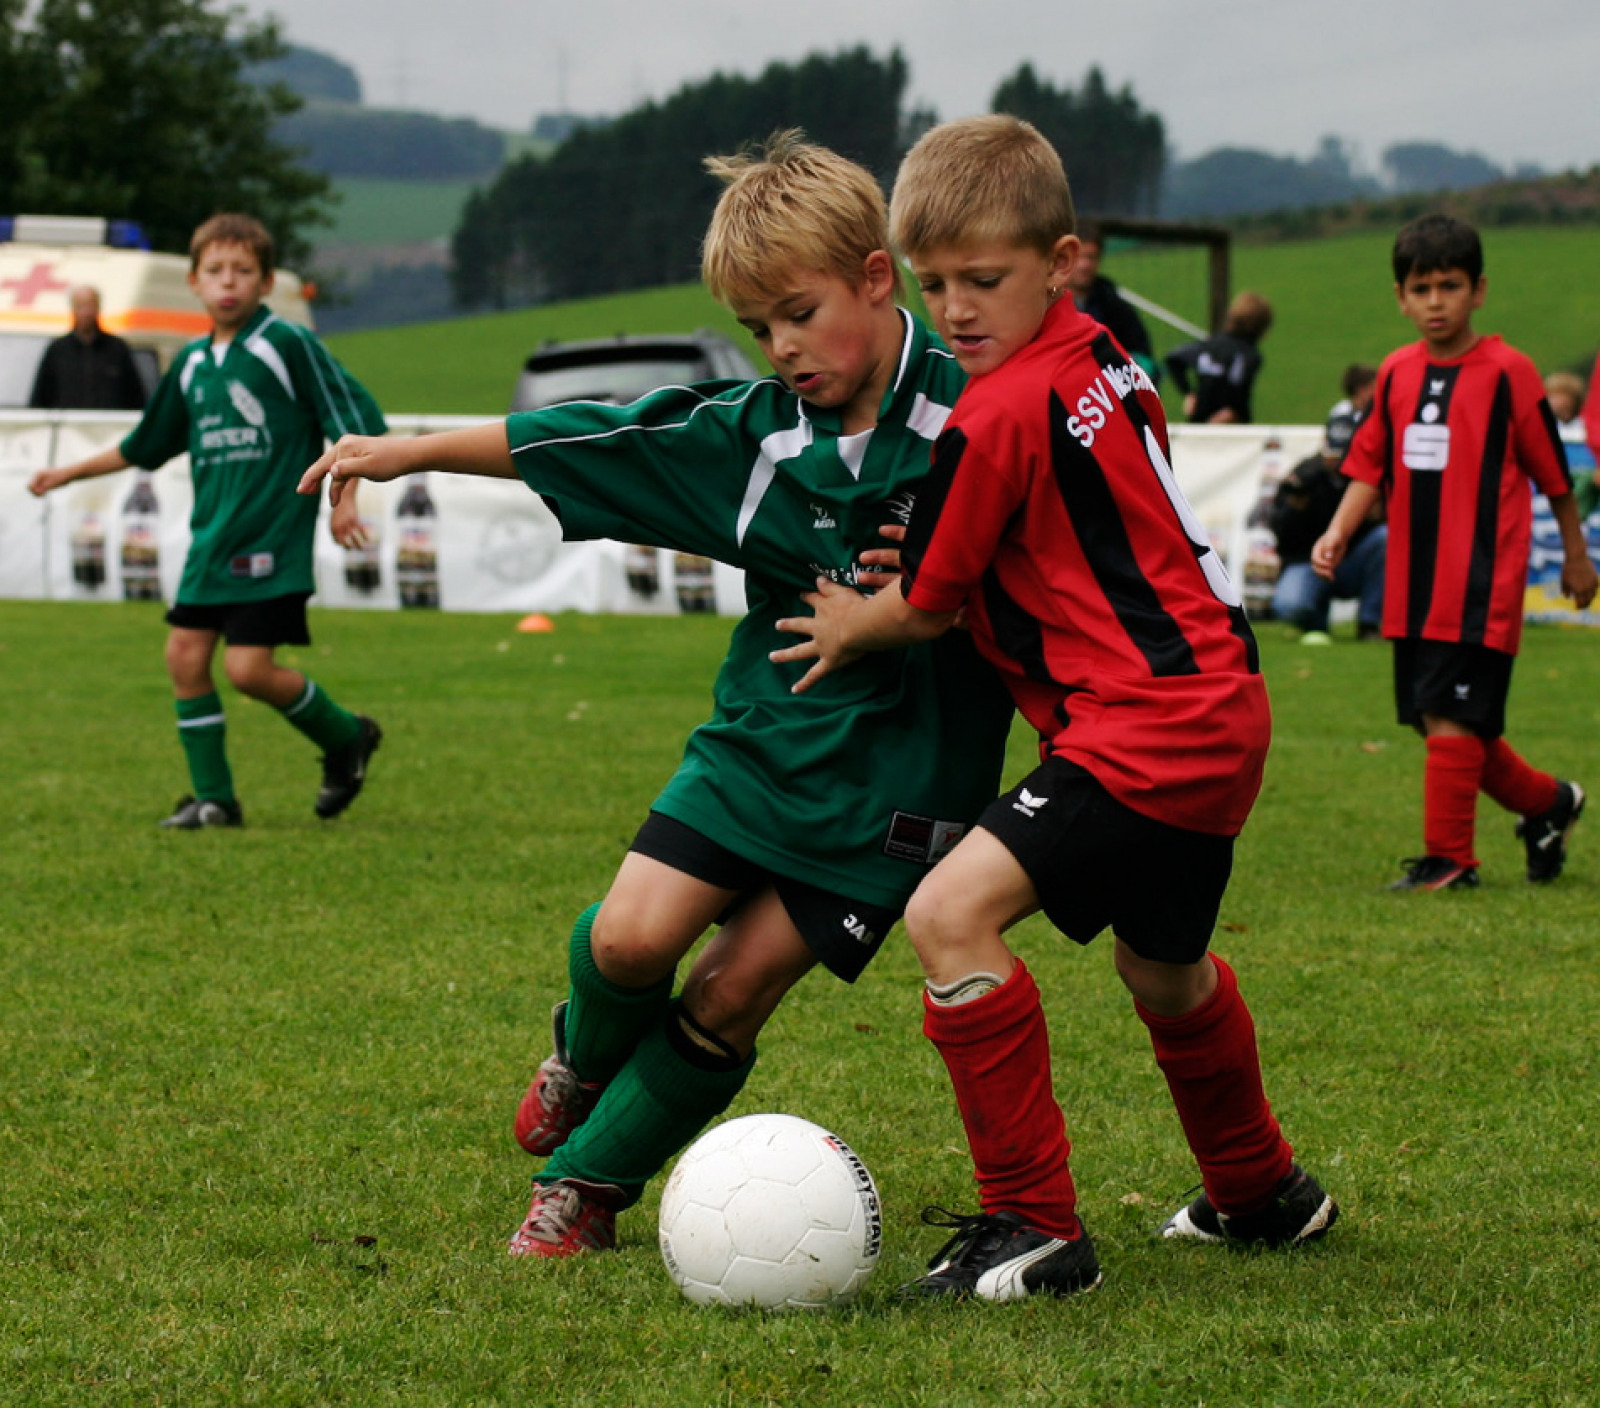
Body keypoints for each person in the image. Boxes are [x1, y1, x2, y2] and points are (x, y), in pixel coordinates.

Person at [297, 133, 1015, 1259]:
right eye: (757, 329)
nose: (780, 348)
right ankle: (585, 1056)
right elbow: (590, 436)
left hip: (903, 785)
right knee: (631, 942)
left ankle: (585, 1186)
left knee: (731, 987)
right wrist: (407, 450)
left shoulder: (987, 413)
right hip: (760, 747)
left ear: (876, 278)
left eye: (798, 312)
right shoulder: (756, 438)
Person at [772, 115, 1335, 1302]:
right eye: (935, 286)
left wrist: (845, 619)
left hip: (1140, 725)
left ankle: (1030, 1223)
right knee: (1162, 971)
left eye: (985, 279)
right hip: (1221, 705)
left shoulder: (993, 413)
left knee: (947, 915)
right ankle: (1260, 1189)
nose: (959, 310)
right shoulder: (1109, 356)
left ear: (1061, 259)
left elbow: (923, 606)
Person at [29, 213, 386, 830]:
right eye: (216, 271)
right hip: (210, 542)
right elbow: (145, 444)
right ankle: (215, 800)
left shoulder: (287, 345)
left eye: (243, 271)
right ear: (194, 281)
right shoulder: (191, 364)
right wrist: (67, 473)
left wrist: (346, 496)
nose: (229, 283)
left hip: (270, 537)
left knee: (247, 670)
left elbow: (353, 419)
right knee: (184, 659)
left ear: (267, 281)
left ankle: (346, 737)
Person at [1312, 213, 1598, 891]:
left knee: (1451, 717)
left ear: (1479, 290)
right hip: (1413, 583)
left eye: (1449, 285)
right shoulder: (1396, 373)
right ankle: (1549, 805)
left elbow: (1555, 473)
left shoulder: (1509, 372)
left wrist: (1578, 554)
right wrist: (1338, 529)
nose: (1435, 301)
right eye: (1421, 288)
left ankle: (1450, 859)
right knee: (1440, 720)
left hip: (1479, 582)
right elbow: (1369, 464)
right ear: (1400, 297)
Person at [1270, 370, 1385, 641]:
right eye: (1332, 451)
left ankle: (1370, 623)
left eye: (1343, 451)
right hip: (1306, 560)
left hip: (1352, 558)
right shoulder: (1305, 474)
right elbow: (1280, 534)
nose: (1336, 459)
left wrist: (1372, 514)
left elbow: (1385, 518)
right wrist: (1297, 509)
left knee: (1386, 538)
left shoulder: (1363, 476)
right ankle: (1315, 621)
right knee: (1290, 605)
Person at [1063, 219, 1160, 385]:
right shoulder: (1044, 305)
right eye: (1080, 257)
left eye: (1091, 257)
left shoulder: (1116, 308)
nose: (1085, 265)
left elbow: (1144, 361)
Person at [28, 284, 149, 411]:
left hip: (110, 428)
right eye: (81, 306)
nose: (86, 313)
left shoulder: (117, 350)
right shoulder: (57, 351)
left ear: (98, 308)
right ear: (73, 309)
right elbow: (40, 401)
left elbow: (136, 398)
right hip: (67, 428)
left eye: (90, 305)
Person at [1165, 290, 1274, 424]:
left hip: (1198, 424)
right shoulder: (1249, 355)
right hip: (1231, 428)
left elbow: (1173, 359)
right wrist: (1232, 412)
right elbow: (1238, 386)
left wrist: (1189, 393)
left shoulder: (1210, 345)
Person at [1545, 370, 1596, 517]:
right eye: (1550, 395)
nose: (1552, 401)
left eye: (1559, 395)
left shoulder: (1588, 431)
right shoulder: (1543, 431)